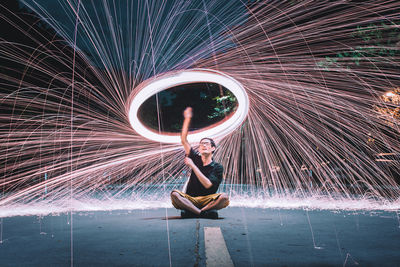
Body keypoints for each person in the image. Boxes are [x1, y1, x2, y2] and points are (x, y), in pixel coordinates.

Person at [170, 107, 230, 219]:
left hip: (208, 199)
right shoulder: (195, 158)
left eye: (206, 144)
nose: (203, 145)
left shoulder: (217, 167)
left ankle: (194, 211)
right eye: (201, 144)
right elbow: (184, 140)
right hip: (190, 198)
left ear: (213, 148)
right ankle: (202, 213)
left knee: (224, 197)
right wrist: (187, 118)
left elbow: (207, 185)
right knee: (175, 194)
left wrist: (192, 165)